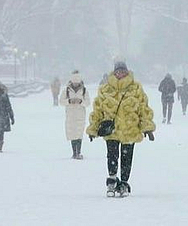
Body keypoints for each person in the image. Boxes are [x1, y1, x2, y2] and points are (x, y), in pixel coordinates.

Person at [87, 61, 155, 198]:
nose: (120, 73)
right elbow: (97, 111)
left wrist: (147, 128)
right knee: (112, 156)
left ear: (127, 72)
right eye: (118, 71)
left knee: (127, 158)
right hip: (112, 130)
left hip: (130, 130)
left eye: (123, 71)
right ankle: (112, 181)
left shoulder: (136, 89)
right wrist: (93, 128)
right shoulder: (105, 89)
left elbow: (144, 109)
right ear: (114, 72)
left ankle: (124, 182)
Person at [60, 70, 90, 159]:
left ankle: (78, 152)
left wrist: (80, 101)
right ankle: (74, 152)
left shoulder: (84, 90)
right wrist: (69, 101)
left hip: (80, 115)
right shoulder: (66, 90)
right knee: (72, 133)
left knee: (79, 133)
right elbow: (61, 101)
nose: (76, 84)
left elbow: (88, 102)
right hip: (70, 115)